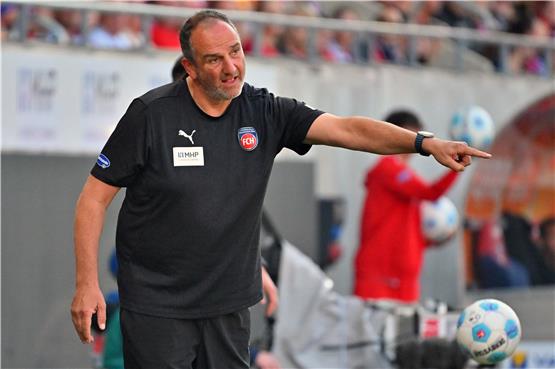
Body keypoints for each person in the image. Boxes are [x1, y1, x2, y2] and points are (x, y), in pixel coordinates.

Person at [70, 10, 490, 369]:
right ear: (190, 67)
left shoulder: (265, 111)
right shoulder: (150, 115)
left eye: (236, 51)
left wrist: (423, 143)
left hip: (228, 306)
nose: (231, 67)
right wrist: (87, 282)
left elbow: (346, 129)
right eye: (215, 59)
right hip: (158, 307)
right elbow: (93, 198)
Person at [353, 110, 462, 304]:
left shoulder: (402, 173)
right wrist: (456, 165)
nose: (418, 143)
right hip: (379, 278)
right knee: (373, 335)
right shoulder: (387, 168)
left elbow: (406, 227)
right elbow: (431, 193)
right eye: (415, 135)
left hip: (405, 280)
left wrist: (433, 240)